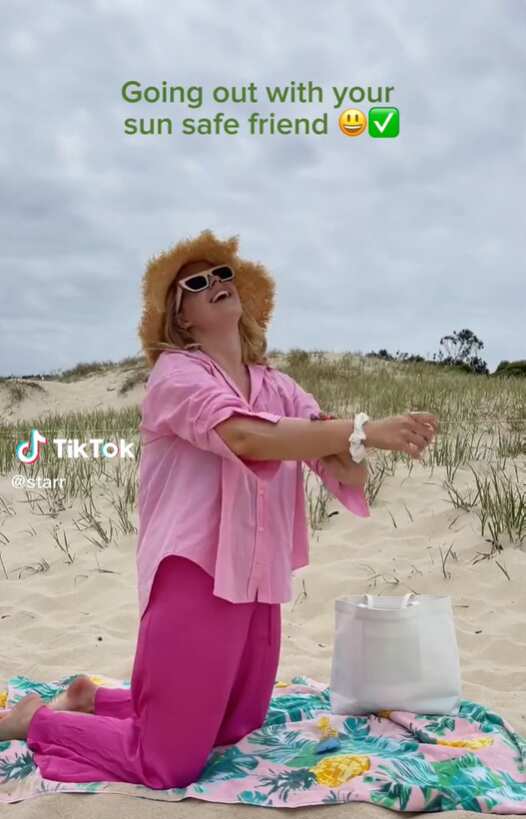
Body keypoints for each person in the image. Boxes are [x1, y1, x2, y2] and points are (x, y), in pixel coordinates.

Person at [0, 229, 438, 789]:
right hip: (196, 573)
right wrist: (360, 430)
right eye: (197, 283)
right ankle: (39, 720)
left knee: (235, 726)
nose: (216, 283)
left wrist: (354, 442)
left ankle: (96, 699)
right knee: (168, 763)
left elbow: (343, 471)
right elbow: (246, 437)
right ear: (182, 318)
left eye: (223, 274)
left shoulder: (278, 387)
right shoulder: (176, 375)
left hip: (257, 579)